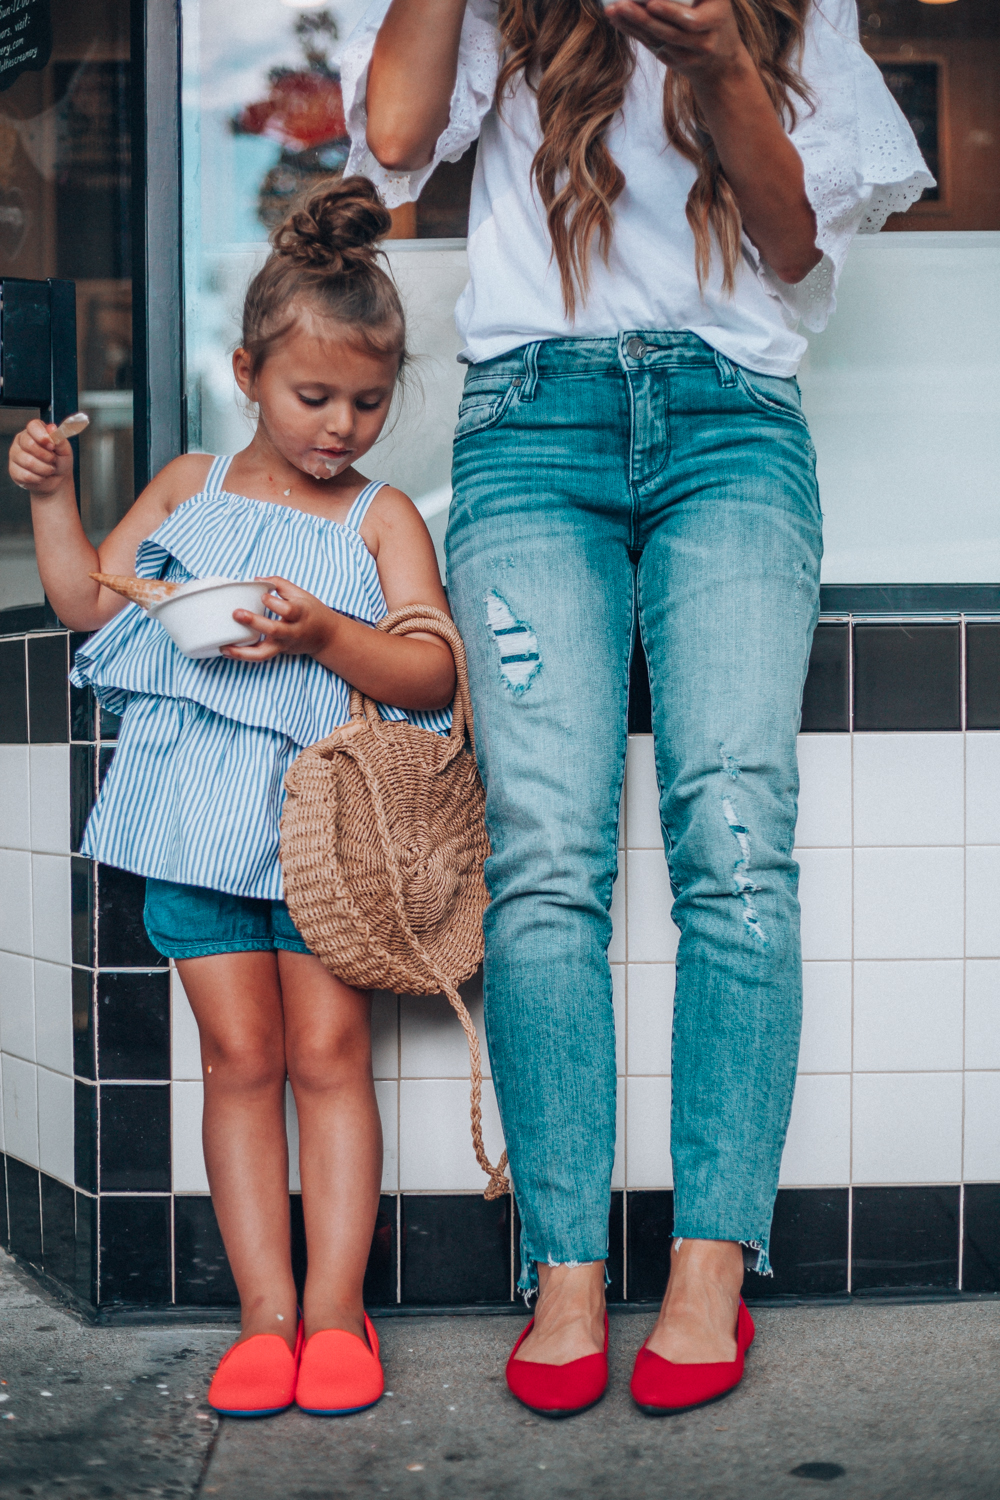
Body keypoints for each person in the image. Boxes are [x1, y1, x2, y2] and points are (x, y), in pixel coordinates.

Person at [348, 0, 931, 1416]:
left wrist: (718, 51)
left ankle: (710, 1268)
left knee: (735, 842)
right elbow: (395, 143)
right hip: (530, 424)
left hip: (730, 418)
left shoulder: (785, 11)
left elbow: (792, 246)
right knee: (546, 857)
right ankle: (563, 1275)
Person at [9, 178, 455, 1420]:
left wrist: (324, 634)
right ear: (249, 370)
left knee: (327, 1056)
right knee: (241, 1058)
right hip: (190, 826)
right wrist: (53, 498)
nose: (342, 427)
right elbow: (88, 604)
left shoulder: (382, 517)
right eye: (314, 397)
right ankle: (265, 1317)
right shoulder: (189, 485)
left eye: (369, 401)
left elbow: (428, 666)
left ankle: (333, 1315)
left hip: (324, 844)